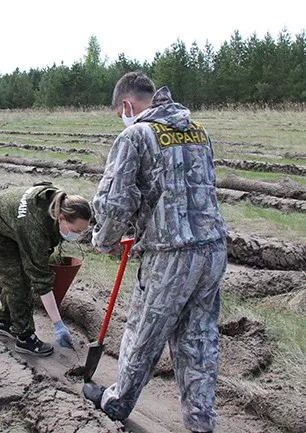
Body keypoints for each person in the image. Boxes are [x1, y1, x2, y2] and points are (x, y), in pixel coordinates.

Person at [82, 71, 228, 433]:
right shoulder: (198, 130)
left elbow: (115, 202)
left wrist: (104, 240)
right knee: (199, 339)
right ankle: (201, 422)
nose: (122, 118)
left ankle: (117, 402)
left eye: (120, 112)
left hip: (169, 254)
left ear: (127, 105)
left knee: (144, 333)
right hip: (212, 248)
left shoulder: (135, 135)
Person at [0, 182, 92, 356]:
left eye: (82, 231)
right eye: (76, 230)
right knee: (18, 279)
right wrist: (58, 324)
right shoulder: (34, 228)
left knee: (19, 274)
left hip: (9, 223)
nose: (78, 235)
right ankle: (25, 337)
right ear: (61, 218)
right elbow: (40, 279)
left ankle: (5, 321)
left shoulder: (58, 202)